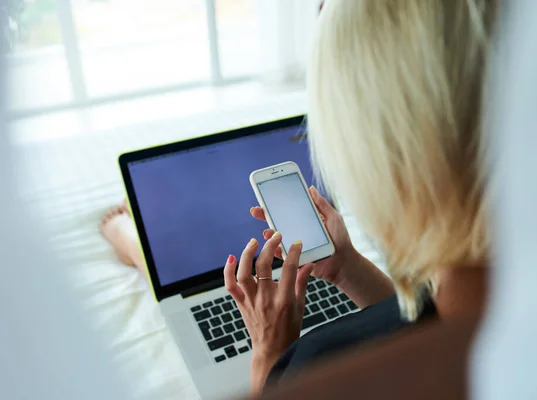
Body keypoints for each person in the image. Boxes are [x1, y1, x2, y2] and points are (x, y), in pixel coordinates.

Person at [101, 0, 495, 395]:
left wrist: (270, 352)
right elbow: (422, 329)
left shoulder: (313, 365)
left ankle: (142, 250)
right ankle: (142, 251)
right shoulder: (487, 282)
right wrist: (348, 269)